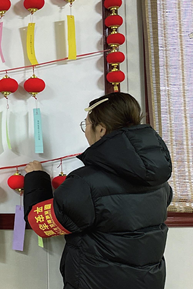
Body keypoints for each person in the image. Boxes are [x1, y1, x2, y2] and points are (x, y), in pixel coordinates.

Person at [24, 92, 172, 289]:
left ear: (101, 129)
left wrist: (36, 178)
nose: (85, 131)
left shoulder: (86, 182)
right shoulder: (159, 180)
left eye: (86, 124)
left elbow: (40, 223)